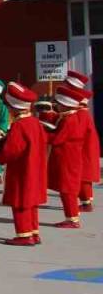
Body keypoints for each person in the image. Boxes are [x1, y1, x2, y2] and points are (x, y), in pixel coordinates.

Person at [0, 82, 47, 245]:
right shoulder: (35, 123)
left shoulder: (19, 125)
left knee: (20, 202)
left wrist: (0, 153)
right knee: (32, 203)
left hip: (21, 171)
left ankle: (24, 234)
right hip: (35, 168)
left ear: (14, 107)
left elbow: (12, 150)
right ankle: (34, 232)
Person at [47, 84, 91, 229]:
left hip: (67, 159)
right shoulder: (69, 117)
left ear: (65, 105)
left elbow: (58, 139)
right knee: (68, 189)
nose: (57, 106)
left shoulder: (69, 120)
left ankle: (72, 219)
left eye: (59, 104)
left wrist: (43, 135)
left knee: (67, 190)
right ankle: (72, 217)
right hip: (70, 157)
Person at [64, 70, 98, 212]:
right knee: (85, 170)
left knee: (83, 171)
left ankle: (86, 202)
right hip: (85, 138)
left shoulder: (78, 101)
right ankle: (87, 200)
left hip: (82, 142)